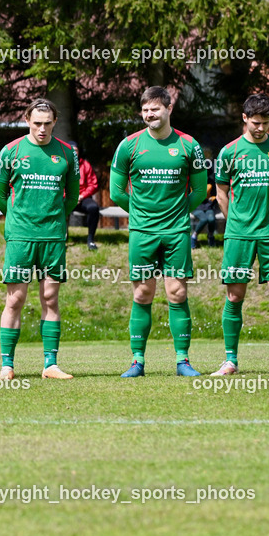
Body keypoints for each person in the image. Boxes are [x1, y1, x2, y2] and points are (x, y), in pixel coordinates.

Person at [110, 86, 206, 378]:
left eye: (155, 109)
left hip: (176, 232)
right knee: (142, 294)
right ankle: (137, 361)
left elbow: (200, 190)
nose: (150, 114)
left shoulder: (189, 145)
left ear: (168, 109)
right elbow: (116, 192)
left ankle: (183, 361)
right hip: (142, 232)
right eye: (145, 110)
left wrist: (175, 213)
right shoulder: (128, 146)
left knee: (177, 293)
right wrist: (142, 214)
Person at [211, 94, 269, 376]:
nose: (261, 128)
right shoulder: (229, 152)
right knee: (235, 296)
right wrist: (237, 222)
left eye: (266, 123)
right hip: (239, 233)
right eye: (256, 122)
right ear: (245, 119)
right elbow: (222, 194)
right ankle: (230, 360)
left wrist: (267, 215)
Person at [0, 98, 79, 380]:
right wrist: (19, 220)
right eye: (37, 123)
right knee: (15, 299)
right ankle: (7, 365)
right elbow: (0, 196)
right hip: (20, 236)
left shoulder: (67, 153)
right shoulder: (11, 151)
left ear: (55, 122)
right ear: (27, 120)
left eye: (47, 123)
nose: (42, 129)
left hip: (53, 236)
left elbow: (73, 197)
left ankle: (50, 365)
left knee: (50, 298)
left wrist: (54, 219)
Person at [68, 141, 100, 250]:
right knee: (58, 207)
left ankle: (90, 239)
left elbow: (93, 184)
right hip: (67, 198)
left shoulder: (85, 165)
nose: (73, 152)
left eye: (75, 150)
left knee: (93, 208)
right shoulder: (62, 165)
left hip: (83, 198)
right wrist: (70, 197)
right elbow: (58, 184)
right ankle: (62, 237)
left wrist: (81, 196)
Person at [191, 184, 219, 248]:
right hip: (197, 206)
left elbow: (216, 194)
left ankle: (210, 236)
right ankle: (194, 236)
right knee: (203, 219)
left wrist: (213, 199)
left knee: (211, 219)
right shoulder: (194, 178)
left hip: (208, 206)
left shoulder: (211, 180)